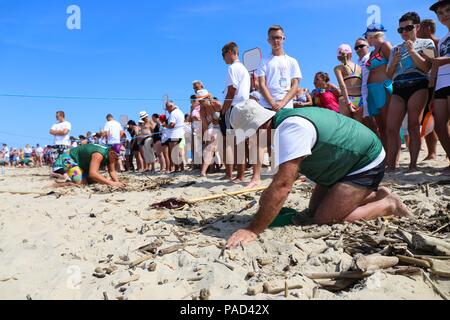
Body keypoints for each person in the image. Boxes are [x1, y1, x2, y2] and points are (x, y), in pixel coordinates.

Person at [225, 100, 410, 248]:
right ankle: (373, 195)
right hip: (339, 162)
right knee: (314, 210)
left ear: (257, 127)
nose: (250, 142)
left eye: (248, 137)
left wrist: (253, 230)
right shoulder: (282, 122)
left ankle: (388, 204)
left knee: (325, 219)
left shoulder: (290, 130)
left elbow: (282, 186)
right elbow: (289, 175)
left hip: (364, 160)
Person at [386, 12, 435, 172]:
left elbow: (427, 67)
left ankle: (413, 165)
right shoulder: (395, 49)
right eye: (400, 30)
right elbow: (388, 74)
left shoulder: (427, 43)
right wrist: (393, 62)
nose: (404, 32)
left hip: (418, 84)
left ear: (417, 27)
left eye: (408, 28)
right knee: (392, 128)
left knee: (414, 125)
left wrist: (412, 51)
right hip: (399, 87)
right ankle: (392, 165)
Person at [220, 42, 251, 184]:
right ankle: (240, 175)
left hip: (234, 107)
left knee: (230, 143)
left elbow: (232, 90)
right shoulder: (243, 69)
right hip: (244, 106)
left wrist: (223, 109)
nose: (223, 59)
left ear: (230, 52)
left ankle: (231, 175)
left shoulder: (232, 68)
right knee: (240, 142)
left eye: (223, 55)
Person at [429, 0, 450, 175]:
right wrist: (431, 93)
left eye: (448, 10)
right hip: (441, 85)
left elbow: (439, 61)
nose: (445, 15)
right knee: (439, 126)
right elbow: (436, 67)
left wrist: (438, 60)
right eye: (440, 13)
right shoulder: (442, 40)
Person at [365, 23, 393, 149]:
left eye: (367, 36)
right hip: (372, 90)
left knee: (388, 124)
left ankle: (393, 158)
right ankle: (386, 156)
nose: (366, 39)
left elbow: (394, 66)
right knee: (380, 126)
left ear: (372, 35)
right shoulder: (372, 53)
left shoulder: (385, 45)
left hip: (383, 87)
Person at [417, 18, 439, 161]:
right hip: (429, 85)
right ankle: (432, 152)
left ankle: (434, 152)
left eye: (420, 28)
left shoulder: (435, 43)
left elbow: (434, 66)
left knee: (439, 120)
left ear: (427, 28)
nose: (417, 31)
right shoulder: (425, 45)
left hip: (438, 84)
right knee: (429, 120)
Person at [54, 144, 126, 187]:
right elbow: (93, 173)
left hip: (81, 164)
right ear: (112, 153)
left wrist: (117, 182)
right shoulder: (99, 154)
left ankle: (63, 176)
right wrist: (111, 183)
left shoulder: (110, 154)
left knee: (95, 181)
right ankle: (55, 185)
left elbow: (112, 171)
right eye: (116, 158)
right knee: (81, 184)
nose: (117, 160)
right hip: (67, 158)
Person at [334, 44, 364, 123]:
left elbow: (342, 85)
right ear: (351, 54)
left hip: (345, 99)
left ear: (338, 57)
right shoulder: (359, 67)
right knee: (358, 127)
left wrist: (348, 102)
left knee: (347, 128)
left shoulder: (338, 68)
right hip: (359, 98)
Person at [355, 37, 379, 132]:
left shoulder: (372, 56)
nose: (359, 49)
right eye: (356, 48)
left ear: (368, 45)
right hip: (361, 96)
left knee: (376, 124)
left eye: (361, 46)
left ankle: (382, 146)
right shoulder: (356, 63)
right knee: (367, 125)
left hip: (373, 94)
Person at [198, 90, 223, 177]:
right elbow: (205, 125)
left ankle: (209, 169)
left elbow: (225, 117)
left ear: (207, 98)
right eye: (199, 100)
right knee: (209, 147)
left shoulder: (216, 104)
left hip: (223, 126)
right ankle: (204, 171)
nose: (200, 102)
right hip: (213, 128)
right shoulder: (202, 110)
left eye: (202, 100)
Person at [163, 101, 185, 173]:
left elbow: (172, 125)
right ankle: (181, 168)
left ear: (170, 106)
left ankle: (176, 169)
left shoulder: (173, 113)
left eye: (167, 108)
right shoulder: (180, 111)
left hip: (174, 135)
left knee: (174, 153)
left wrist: (165, 125)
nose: (167, 110)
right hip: (180, 134)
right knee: (178, 152)